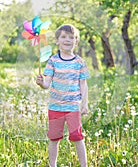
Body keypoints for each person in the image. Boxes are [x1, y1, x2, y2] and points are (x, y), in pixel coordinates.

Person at [36, 24, 89, 167]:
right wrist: (42, 83)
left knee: (77, 137)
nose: (67, 40)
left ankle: (84, 165)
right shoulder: (53, 61)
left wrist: (84, 104)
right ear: (57, 41)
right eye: (64, 37)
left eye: (71, 37)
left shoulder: (79, 62)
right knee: (54, 138)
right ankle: (52, 165)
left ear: (76, 42)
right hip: (55, 107)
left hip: (73, 107)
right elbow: (47, 83)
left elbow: (83, 84)